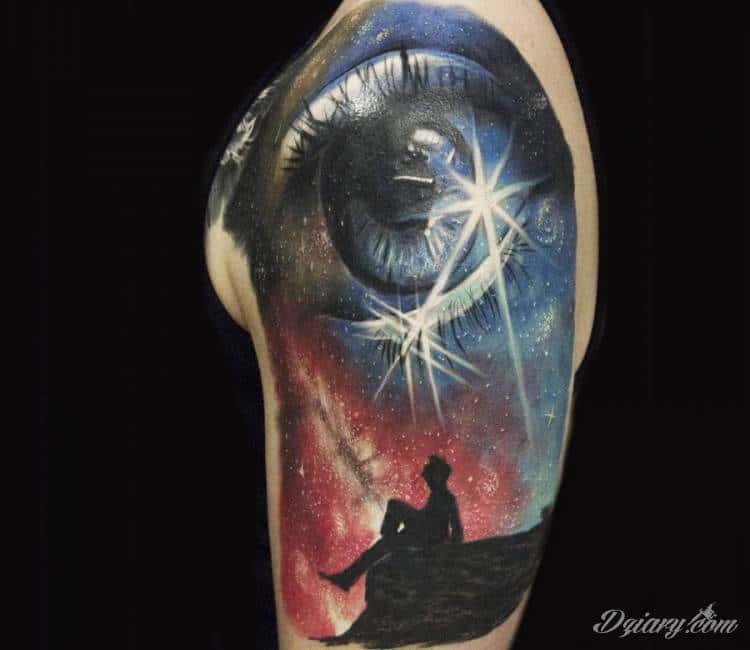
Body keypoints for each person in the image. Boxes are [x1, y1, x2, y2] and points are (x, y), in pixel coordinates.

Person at [319, 455, 463, 591]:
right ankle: (347, 578)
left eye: (429, 472)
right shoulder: (437, 496)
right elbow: (431, 520)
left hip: (427, 540)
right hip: (423, 535)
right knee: (383, 542)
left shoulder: (447, 499)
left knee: (394, 506)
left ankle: (350, 575)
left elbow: (457, 531)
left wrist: (444, 552)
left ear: (438, 476)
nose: (425, 476)